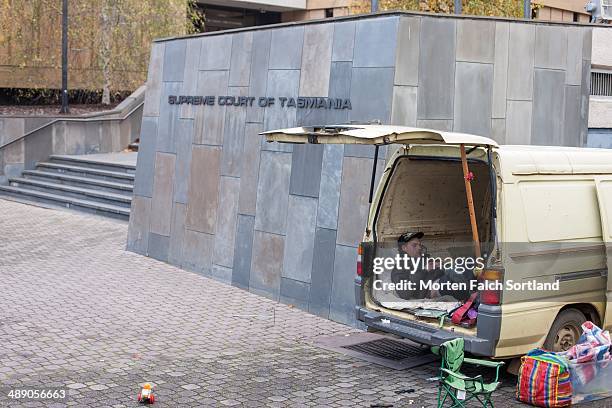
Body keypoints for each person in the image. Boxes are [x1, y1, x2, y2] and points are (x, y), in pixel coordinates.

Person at [391, 231, 444, 300]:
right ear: (404, 248)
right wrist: (424, 270)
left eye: (420, 245)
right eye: (414, 245)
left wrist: (441, 266)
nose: (419, 248)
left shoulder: (424, 260)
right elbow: (404, 293)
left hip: (443, 281)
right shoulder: (400, 267)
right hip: (434, 288)